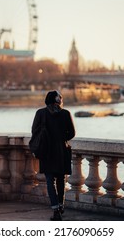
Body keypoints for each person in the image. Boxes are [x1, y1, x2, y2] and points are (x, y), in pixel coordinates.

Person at [31, 90, 75, 221]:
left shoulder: (40, 113)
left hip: (46, 152)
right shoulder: (65, 113)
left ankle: (55, 210)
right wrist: (61, 138)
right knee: (61, 179)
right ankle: (61, 206)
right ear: (57, 100)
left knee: (50, 181)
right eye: (60, 98)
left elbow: (34, 132)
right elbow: (72, 133)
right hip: (61, 151)